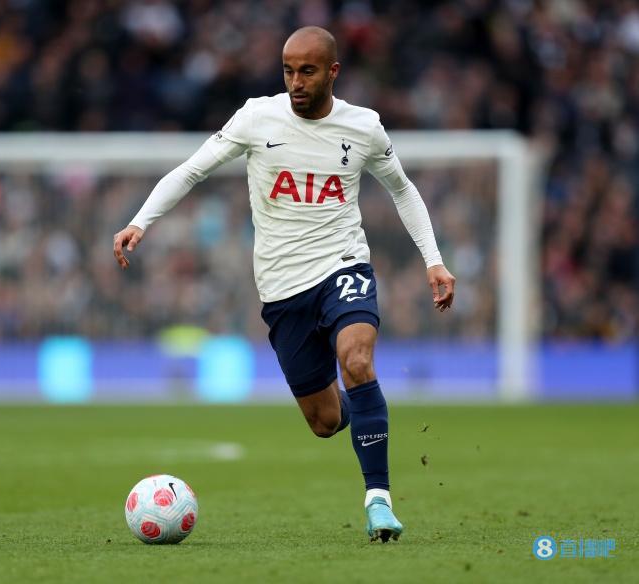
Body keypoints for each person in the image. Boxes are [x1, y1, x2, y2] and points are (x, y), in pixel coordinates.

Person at [113, 26, 455, 542]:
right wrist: (141, 221)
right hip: (282, 288)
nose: (296, 82)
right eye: (289, 71)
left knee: (357, 360)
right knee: (324, 421)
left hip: (343, 266)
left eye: (308, 71)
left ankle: (379, 501)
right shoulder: (257, 117)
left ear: (333, 72)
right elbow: (192, 170)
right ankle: (363, 408)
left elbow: (402, 191)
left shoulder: (364, 127)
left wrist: (434, 260)